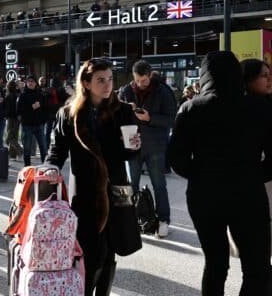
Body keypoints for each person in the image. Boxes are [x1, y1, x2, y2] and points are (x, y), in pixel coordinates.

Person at [167, 51, 272, 295]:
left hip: (205, 196)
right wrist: (255, 174)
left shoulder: (191, 108)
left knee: (215, 264)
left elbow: (176, 159)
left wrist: (202, 173)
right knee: (256, 267)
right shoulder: (259, 107)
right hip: (248, 194)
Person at [47, 58, 141, 296]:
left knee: (111, 250)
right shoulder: (69, 114)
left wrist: (135, 147)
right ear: (86, 83)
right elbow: (56, 150)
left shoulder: (123, 111)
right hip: (86, 192)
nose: (107, 85)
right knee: (88, 251)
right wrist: (50, 168)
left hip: (115, 190)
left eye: (110, 79)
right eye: (100, 80)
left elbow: (130, 153)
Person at [118, 60, 176, 237]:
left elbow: (171, 119)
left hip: (155, 147)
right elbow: (116, 116)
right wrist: (126, 112)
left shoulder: (163, 92)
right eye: (137, 80)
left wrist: (150, 118)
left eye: (144, 80)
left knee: (159, 185)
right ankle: (130, 219)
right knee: (130, 185)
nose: (140, 84)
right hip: (132, 145)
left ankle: (163, 220)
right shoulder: (126, 91)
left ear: (150, 75)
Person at [16, 75, 48, 166]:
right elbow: (19, 111)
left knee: (43, 147)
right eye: (28, 81)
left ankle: (45, 167)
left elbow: (46, 108)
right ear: (26, 83)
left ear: (35, 83)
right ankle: (27, 167)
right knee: (27, 149)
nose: (30, 83)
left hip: (39, 125)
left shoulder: (40, 94)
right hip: (27, 126)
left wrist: (43, 120)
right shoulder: (23, 95)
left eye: (32, 81)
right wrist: (31, 108)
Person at [45, 77, 68, 149]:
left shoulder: (48, 90)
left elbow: (45, 101)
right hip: (58, 112)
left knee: (48, 131)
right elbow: (65, 100)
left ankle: (47, 146)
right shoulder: (61, 90)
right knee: (57, 130)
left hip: (50, 113)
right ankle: (56, 145)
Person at [4, 79, 23, 159]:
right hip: (17, 118)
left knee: (8, 138)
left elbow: (7, 109)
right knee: (14, 136)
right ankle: (12, 154)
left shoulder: (8, 96)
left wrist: (5, 115)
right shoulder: (18, 95)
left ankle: (20, 150)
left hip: (11, 118)